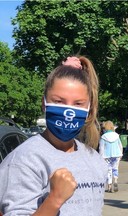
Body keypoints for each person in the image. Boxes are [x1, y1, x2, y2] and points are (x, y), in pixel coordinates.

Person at [0, 56, 108, 215]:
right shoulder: (24, 160)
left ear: (89, 108)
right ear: (44, 103)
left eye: (78, 104)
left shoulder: (95, 160)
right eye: (59, 101)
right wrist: (55, 199)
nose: (68, 111)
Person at [99, 120, 123, 193]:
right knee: (115, 168)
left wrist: (100, 156)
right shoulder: (116, 136)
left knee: (108, 170)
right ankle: (115, 180)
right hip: (117, 154)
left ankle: (109, 185)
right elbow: (120, 145)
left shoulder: (103, 137)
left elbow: (101, 148)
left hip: (107, 156)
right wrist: (121, 153)